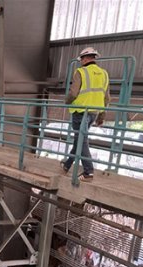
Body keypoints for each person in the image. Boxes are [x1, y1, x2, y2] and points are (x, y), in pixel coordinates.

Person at [61, 47, 110, 182]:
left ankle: (88, 171)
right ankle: (67, 164)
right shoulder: (104, 74)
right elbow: (106, 98)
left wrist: (66, 102)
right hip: (94, 112)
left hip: (80, 111)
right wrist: (101, 116)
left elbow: (73, 93)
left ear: (86, 58)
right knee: (80, 139)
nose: (81, 61)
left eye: (81, 59)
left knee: (81, 140)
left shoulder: (80, 72)